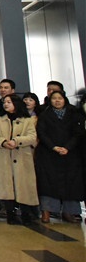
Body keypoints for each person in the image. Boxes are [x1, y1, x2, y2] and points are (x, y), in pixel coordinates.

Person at [35, 88, 84, 223]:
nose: (57, 101)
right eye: (54, 99)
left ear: (64, 100)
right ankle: (47, 211)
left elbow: (78, 133)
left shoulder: (73, 114)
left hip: (70, 154)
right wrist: (54, 147)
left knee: (71, 183)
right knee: (48, 183)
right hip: (49, 153)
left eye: (60, 98)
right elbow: (42, 133)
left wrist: (67, 147)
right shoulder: (45, 115)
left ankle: (69, 212)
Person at [0, 94, 39, 225]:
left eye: (9, 102)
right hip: (4, 156)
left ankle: (26, 214)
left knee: (24, 186)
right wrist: (3, 142)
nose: (6, 104)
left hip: (22, 156)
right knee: (7, 186)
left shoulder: (27, 120)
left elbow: (32, 137)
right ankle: (10, 214)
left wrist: (17, 141)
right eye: (4, 102)